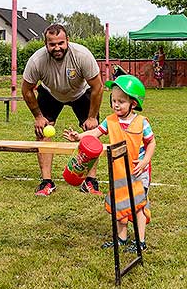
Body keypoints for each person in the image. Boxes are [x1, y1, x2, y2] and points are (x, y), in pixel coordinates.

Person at [63, 75, 156, 253]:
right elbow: (96, 132)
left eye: (121, 101)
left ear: (133, 104)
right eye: (114, 100)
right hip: (119, 171)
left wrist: (145, 161)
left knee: (139, 207)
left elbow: (151, 143)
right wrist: (79, 137)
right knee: (119, 204)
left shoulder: (141, 122)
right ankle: (121, 238)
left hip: (138, 171)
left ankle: (140, 241)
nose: (116, 104)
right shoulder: (111, 120)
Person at [22, 24, 103, 196]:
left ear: (67, 41)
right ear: (46, 45)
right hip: (51, 92)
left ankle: (90, 181)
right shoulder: (37, 61)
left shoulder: (82, 55)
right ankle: (47, 182)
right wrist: (38, 116)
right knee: (42, 131)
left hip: (80, 92)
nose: (57, 47)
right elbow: (26, 89)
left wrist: (92, 117)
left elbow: (97, 87)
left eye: (61, 43)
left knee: (92, 132)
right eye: (52, 44)